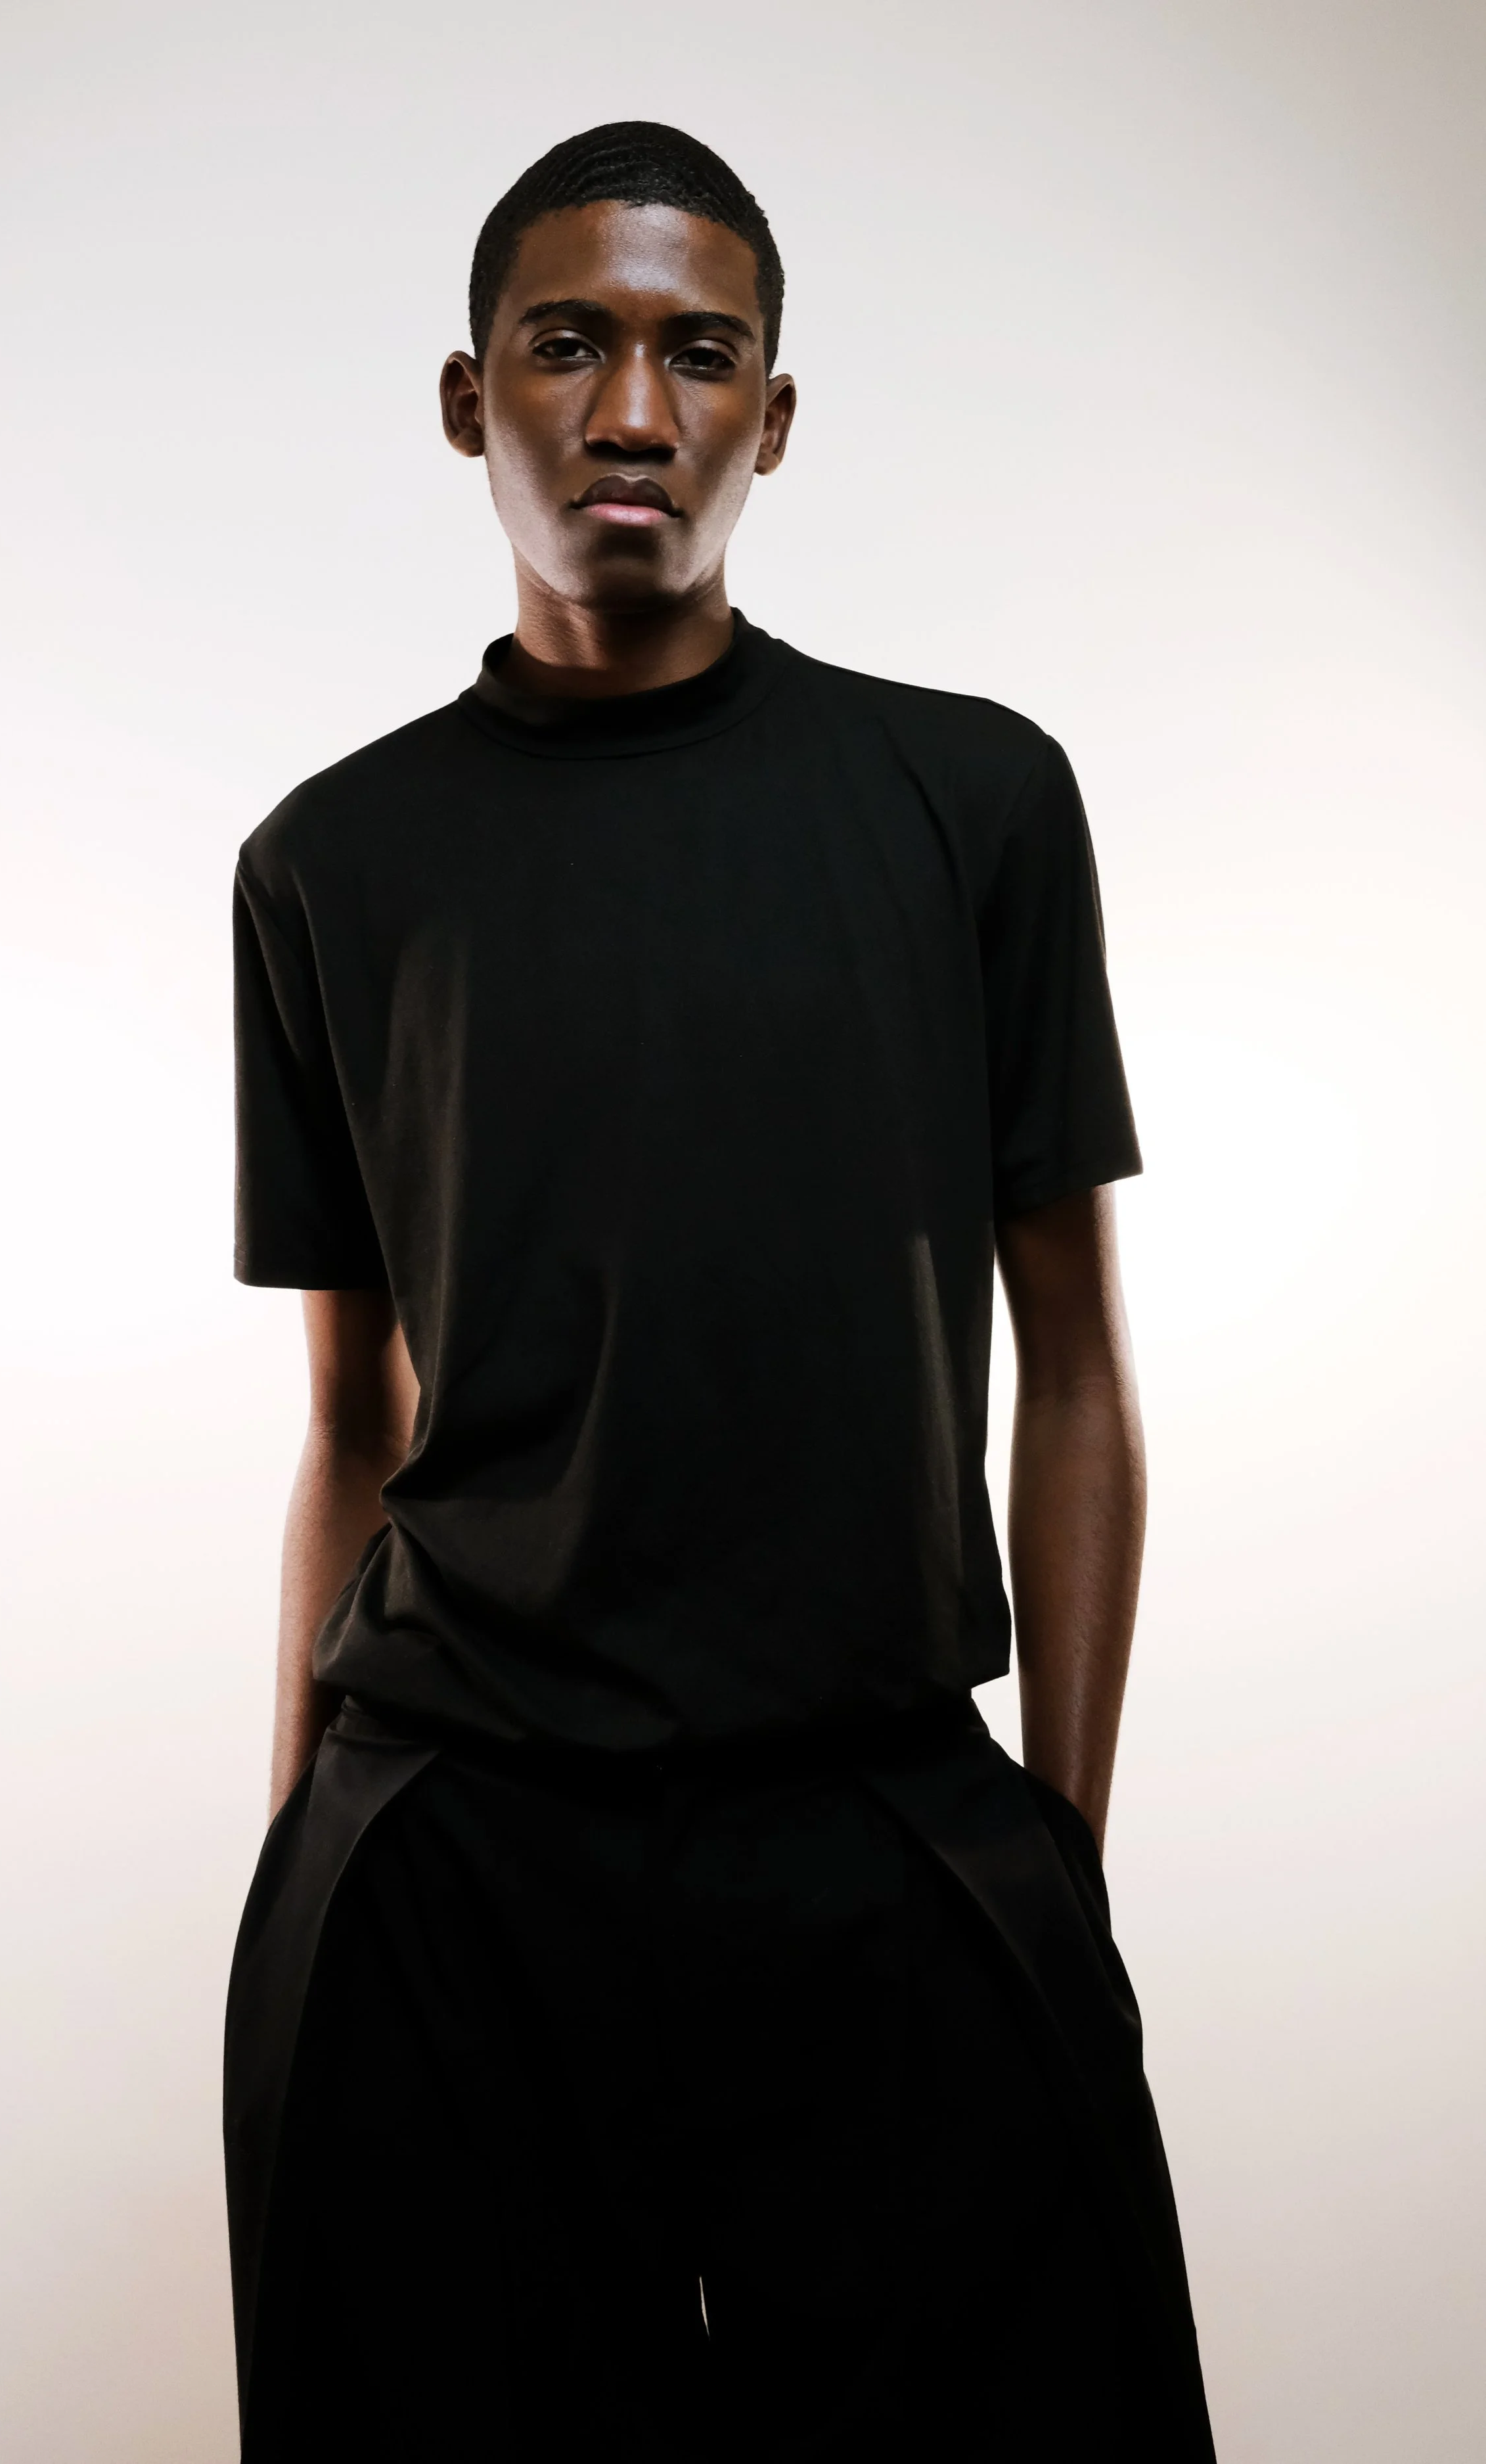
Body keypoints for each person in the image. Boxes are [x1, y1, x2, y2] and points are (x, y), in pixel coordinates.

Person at [225, 120, 1217, 2462]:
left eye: (697, 356)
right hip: (451, 1851)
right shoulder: (330, 863)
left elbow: (1076, 1367)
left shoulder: (970, 803)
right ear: (468, 398)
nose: (630, 411)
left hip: (874, 1826)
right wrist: (295, 1872)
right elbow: (352, 1420)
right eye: (567, 346)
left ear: (772, 416)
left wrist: (1055, 1857)